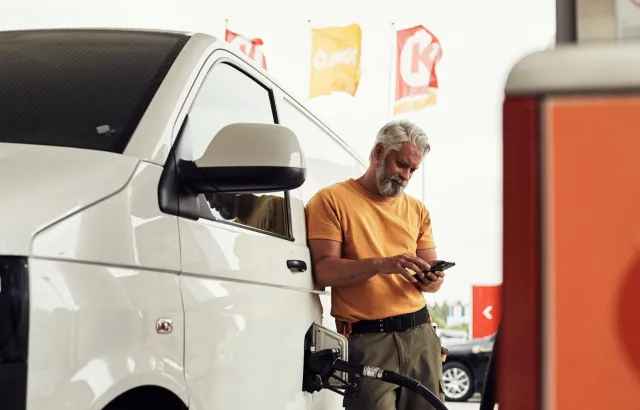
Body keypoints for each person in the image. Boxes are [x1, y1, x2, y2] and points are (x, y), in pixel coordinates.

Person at [305, 119, 447, 410]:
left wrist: (432, 280)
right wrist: (383, 265)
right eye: (401, 165)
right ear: (378, 152)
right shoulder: (330, 201)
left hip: (421, 335)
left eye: (412, 170)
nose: (406, 176)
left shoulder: (417, 210)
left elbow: (434, 275)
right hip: (368, 341)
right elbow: (324, 270)